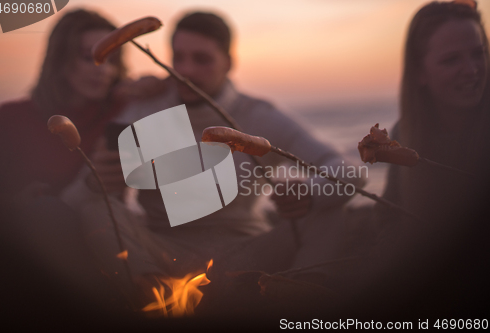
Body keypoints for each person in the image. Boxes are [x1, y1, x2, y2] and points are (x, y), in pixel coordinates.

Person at [61, 11, 366, 281]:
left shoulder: (257, 116)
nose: (187, 70)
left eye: (202, 59)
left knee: (330, 208)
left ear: (229, 62)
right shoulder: (145, 110)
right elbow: (79, 199)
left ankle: (301, 300)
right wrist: (95, 180)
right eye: (178, 58)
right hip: (163, 252)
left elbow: (348, 171)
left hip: (247, 254)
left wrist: (311, 192)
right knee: (96, 204)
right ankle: (150, 298)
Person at [0, 9, 165, 322]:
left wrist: (155, 85)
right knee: (43, 213)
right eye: (89, 57)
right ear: (60, 60)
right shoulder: (9, 118)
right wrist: (15, 205)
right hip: (24, 253)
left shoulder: (121, 111)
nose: (103, 70)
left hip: (100, 245)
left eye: (112, 59)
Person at [358, 0, 490, 318]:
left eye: (478, 53)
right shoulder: (409, 133)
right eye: (451, 60)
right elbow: (391, 220)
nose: (472, 70)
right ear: (420, 73)